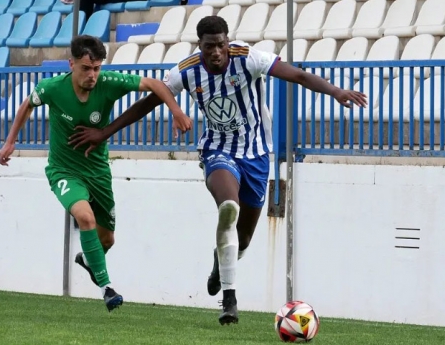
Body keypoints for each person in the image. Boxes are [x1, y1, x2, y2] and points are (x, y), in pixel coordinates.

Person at [66, 17, 368, 324]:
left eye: (221, 44)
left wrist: (335, 91)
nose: (217, 52)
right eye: (210, 46)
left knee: (244, 238)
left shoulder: (248, 57)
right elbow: (149, 102)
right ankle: (230, 301)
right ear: (200, 45)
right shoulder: (187, 70)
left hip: (257, 156)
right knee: (228, 207)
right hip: (218, 151)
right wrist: (105, 132)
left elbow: (299, 75)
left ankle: (219, 262)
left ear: (227, 41)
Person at [0, 35, 193, 312]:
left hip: (98, 171)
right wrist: (10, 141)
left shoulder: (108, 83)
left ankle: (89, 261)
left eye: (97, 68)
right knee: (85, 217)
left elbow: (153, 84)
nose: (93, 75)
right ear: (72, 64)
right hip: (64, 170)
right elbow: (27, 104)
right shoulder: (53, 88)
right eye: (86, 68)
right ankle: (107, 288)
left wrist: (175, 110)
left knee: (107, 240)